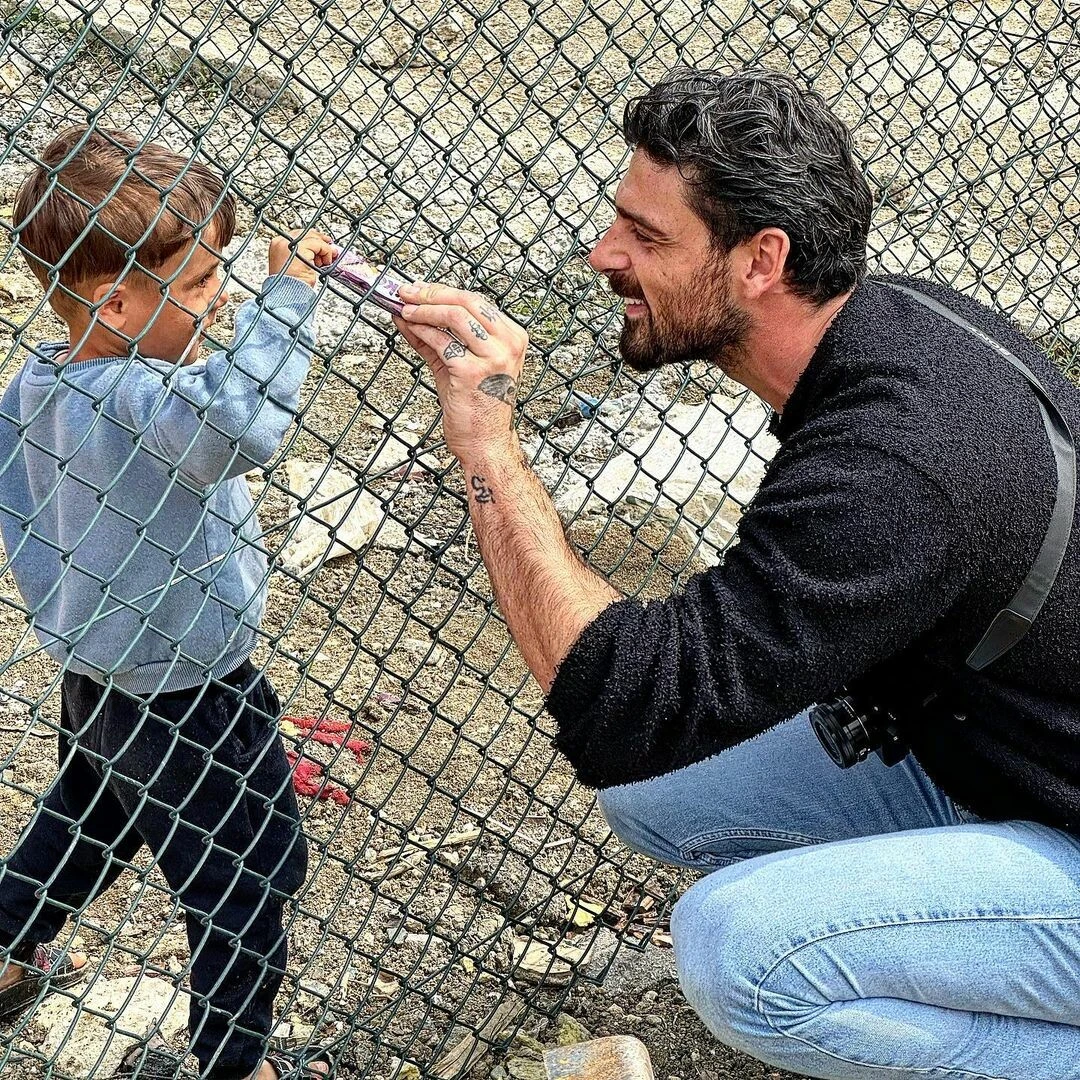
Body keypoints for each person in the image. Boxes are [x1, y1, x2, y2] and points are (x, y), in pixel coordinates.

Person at [392, 67, 1080, 1080]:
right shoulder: (888, 328)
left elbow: (619, 694)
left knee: (740, 950)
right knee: (657, 785)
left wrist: (488, 446)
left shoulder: (900, 465)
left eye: (649, 237)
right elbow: (656, 721)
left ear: (764, 260)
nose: (603, 256)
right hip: (1000, 759)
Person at [0, 126, 335, 1079]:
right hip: (192, 690)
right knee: (250, 878)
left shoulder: (34, 386)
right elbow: (246, 422)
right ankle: (238, 1063)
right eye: (195, 285)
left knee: (90, 817)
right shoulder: (148, 400)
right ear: (112, 299)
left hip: (98, 673)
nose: (220, 294)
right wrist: (289, 298)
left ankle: (7, 938)